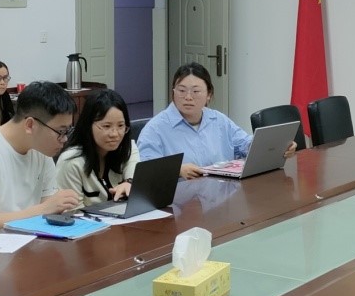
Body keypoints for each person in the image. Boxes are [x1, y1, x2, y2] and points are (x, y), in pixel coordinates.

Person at [0, 81, 83, 239]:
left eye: (68, 131)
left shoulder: (42, 151)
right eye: (61, 131)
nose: (64, 139)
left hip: (26, 241)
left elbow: (49, 207)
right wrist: (44, 209)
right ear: (30, 125)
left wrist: (59, 206)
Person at [139, 62, 295, 179]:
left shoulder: (218, 120)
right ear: (173, 92)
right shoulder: (155, 129)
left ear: (209, 95)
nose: (188, 97)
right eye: (181, 90)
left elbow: (245, 144)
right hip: (179, 200)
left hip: (220, 195)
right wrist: (176, 170)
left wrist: (280, 146)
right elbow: (144, 170)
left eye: (196, 91)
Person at [55, 89, 140, 205]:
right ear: (88, 125)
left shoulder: (126, 148)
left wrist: (129, 182)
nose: (115, 134)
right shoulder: (71, 162)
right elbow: (71, 212)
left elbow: (135, 170)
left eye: (121, 126)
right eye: (106, 126)